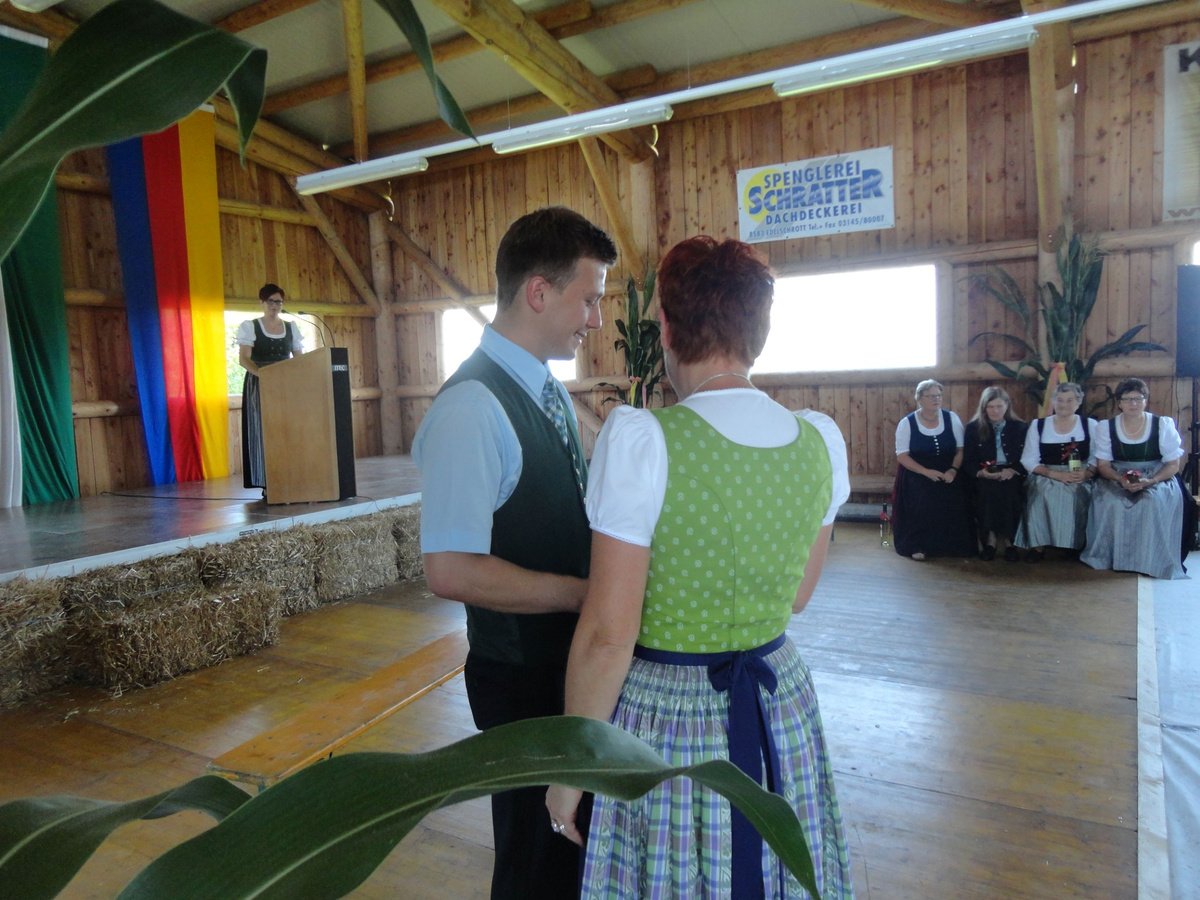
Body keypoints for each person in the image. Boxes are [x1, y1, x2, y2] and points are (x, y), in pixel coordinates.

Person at [545, 236, 854, 899]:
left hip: (672, 716)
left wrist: (570, 773)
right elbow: (797, 597)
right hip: (777, 700)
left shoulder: (644, 441)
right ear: (758, 332)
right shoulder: (818, 441)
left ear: (666, 327)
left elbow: (608, 634)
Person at [413, 207, 617, 900]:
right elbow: (450, 569)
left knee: (566, 856)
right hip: (524, 672)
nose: (595, 319)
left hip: (563, 663)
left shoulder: (544, 386)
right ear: (538, 291)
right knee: (536, 864)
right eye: (588, 299)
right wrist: (581, 593)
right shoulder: (471, 408)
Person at [1081, 378, 1188, 580]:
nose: (1133, 403)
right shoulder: (1106, 427)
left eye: (1138, 398)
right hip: (1117, 475)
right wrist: (1120, 479)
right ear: (1119, 403)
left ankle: (1149, 559)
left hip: (1156, 475)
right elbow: (1103, 465)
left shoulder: (1162, 424)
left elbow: (1173, 465)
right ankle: (1114, 558)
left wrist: (1152, 480)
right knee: (1113, 502)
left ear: (1145, 401)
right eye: (1127, 399)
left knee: (1151, 502)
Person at [890, 379, 976, 560]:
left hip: (948, 469)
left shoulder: (951, 418)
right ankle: (918, 544)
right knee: (922, 498)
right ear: (919, 399)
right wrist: (926, 472)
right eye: (930, 396)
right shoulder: (907, 423)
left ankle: (952, 545)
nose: (936, 399)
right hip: (917, 471)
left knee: (954, 496)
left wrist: (953, 470)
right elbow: (902, 456)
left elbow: (960, 450)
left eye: (938, 395)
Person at [1015, 382, 1097, 562]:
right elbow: (1028, 459)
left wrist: (1087, 473)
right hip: (1047, 473)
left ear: (1078, 402)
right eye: (1059, 400)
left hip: (1078, 474)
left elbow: (1097, 457)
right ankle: (1038, 546)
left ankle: (1073, 544)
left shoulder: (1090, 425)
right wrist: (1055, 474)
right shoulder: (1038, 425)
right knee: (1041, 493)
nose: (1064, 404)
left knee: (1077, 493)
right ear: (1053, 401)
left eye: (1069, 400)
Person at [237, 283, 304, 491]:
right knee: (262, 430)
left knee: (287, 429)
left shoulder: (291, 327)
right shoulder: (250, 326)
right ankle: (267, 481)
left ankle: (290, 477)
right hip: (260, 383)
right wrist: (264, 375)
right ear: (262, 302)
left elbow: (299, 359)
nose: (275, 305)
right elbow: (244, 359)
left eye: (279, 302)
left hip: (285, 384)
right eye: (271, 301)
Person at [962, 386, 1028, 561]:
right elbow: (968, 460)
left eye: (999, 406)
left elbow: (1028, 457)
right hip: (985, 473)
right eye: (990, 407)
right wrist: (981, 473)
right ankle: (990, 541)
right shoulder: (973, 428)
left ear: (1007, 406)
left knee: (1010, 492)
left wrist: (1013, 470)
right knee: (987, 491)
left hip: (1011, 472)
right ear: (984, 407)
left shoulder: (1020, 427)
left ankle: (1009, 541)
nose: (995, 411)